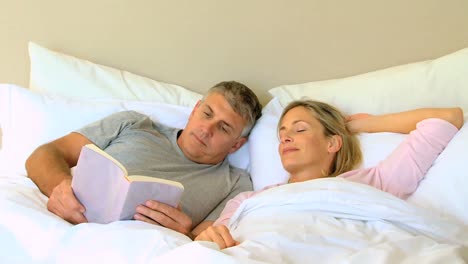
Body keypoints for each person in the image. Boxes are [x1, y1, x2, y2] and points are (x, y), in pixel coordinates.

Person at [195, 99, 464, 249]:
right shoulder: (248, 200)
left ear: (332, 143)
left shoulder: (371, 184)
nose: (286, 138)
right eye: (283, 133)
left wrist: (366, 124)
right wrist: (208, 237)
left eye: (299, 129)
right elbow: (212, 240)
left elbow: (447, 118)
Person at [25, 81, 262, 238]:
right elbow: (43, 155)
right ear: (194, 110)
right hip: (58, 226)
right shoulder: (133, 123)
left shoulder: (235, 185)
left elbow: (208, 242)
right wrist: (59, 187)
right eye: (206, 114)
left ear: (236, 145)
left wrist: (183, 235)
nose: (206, 129)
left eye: (223, 128)